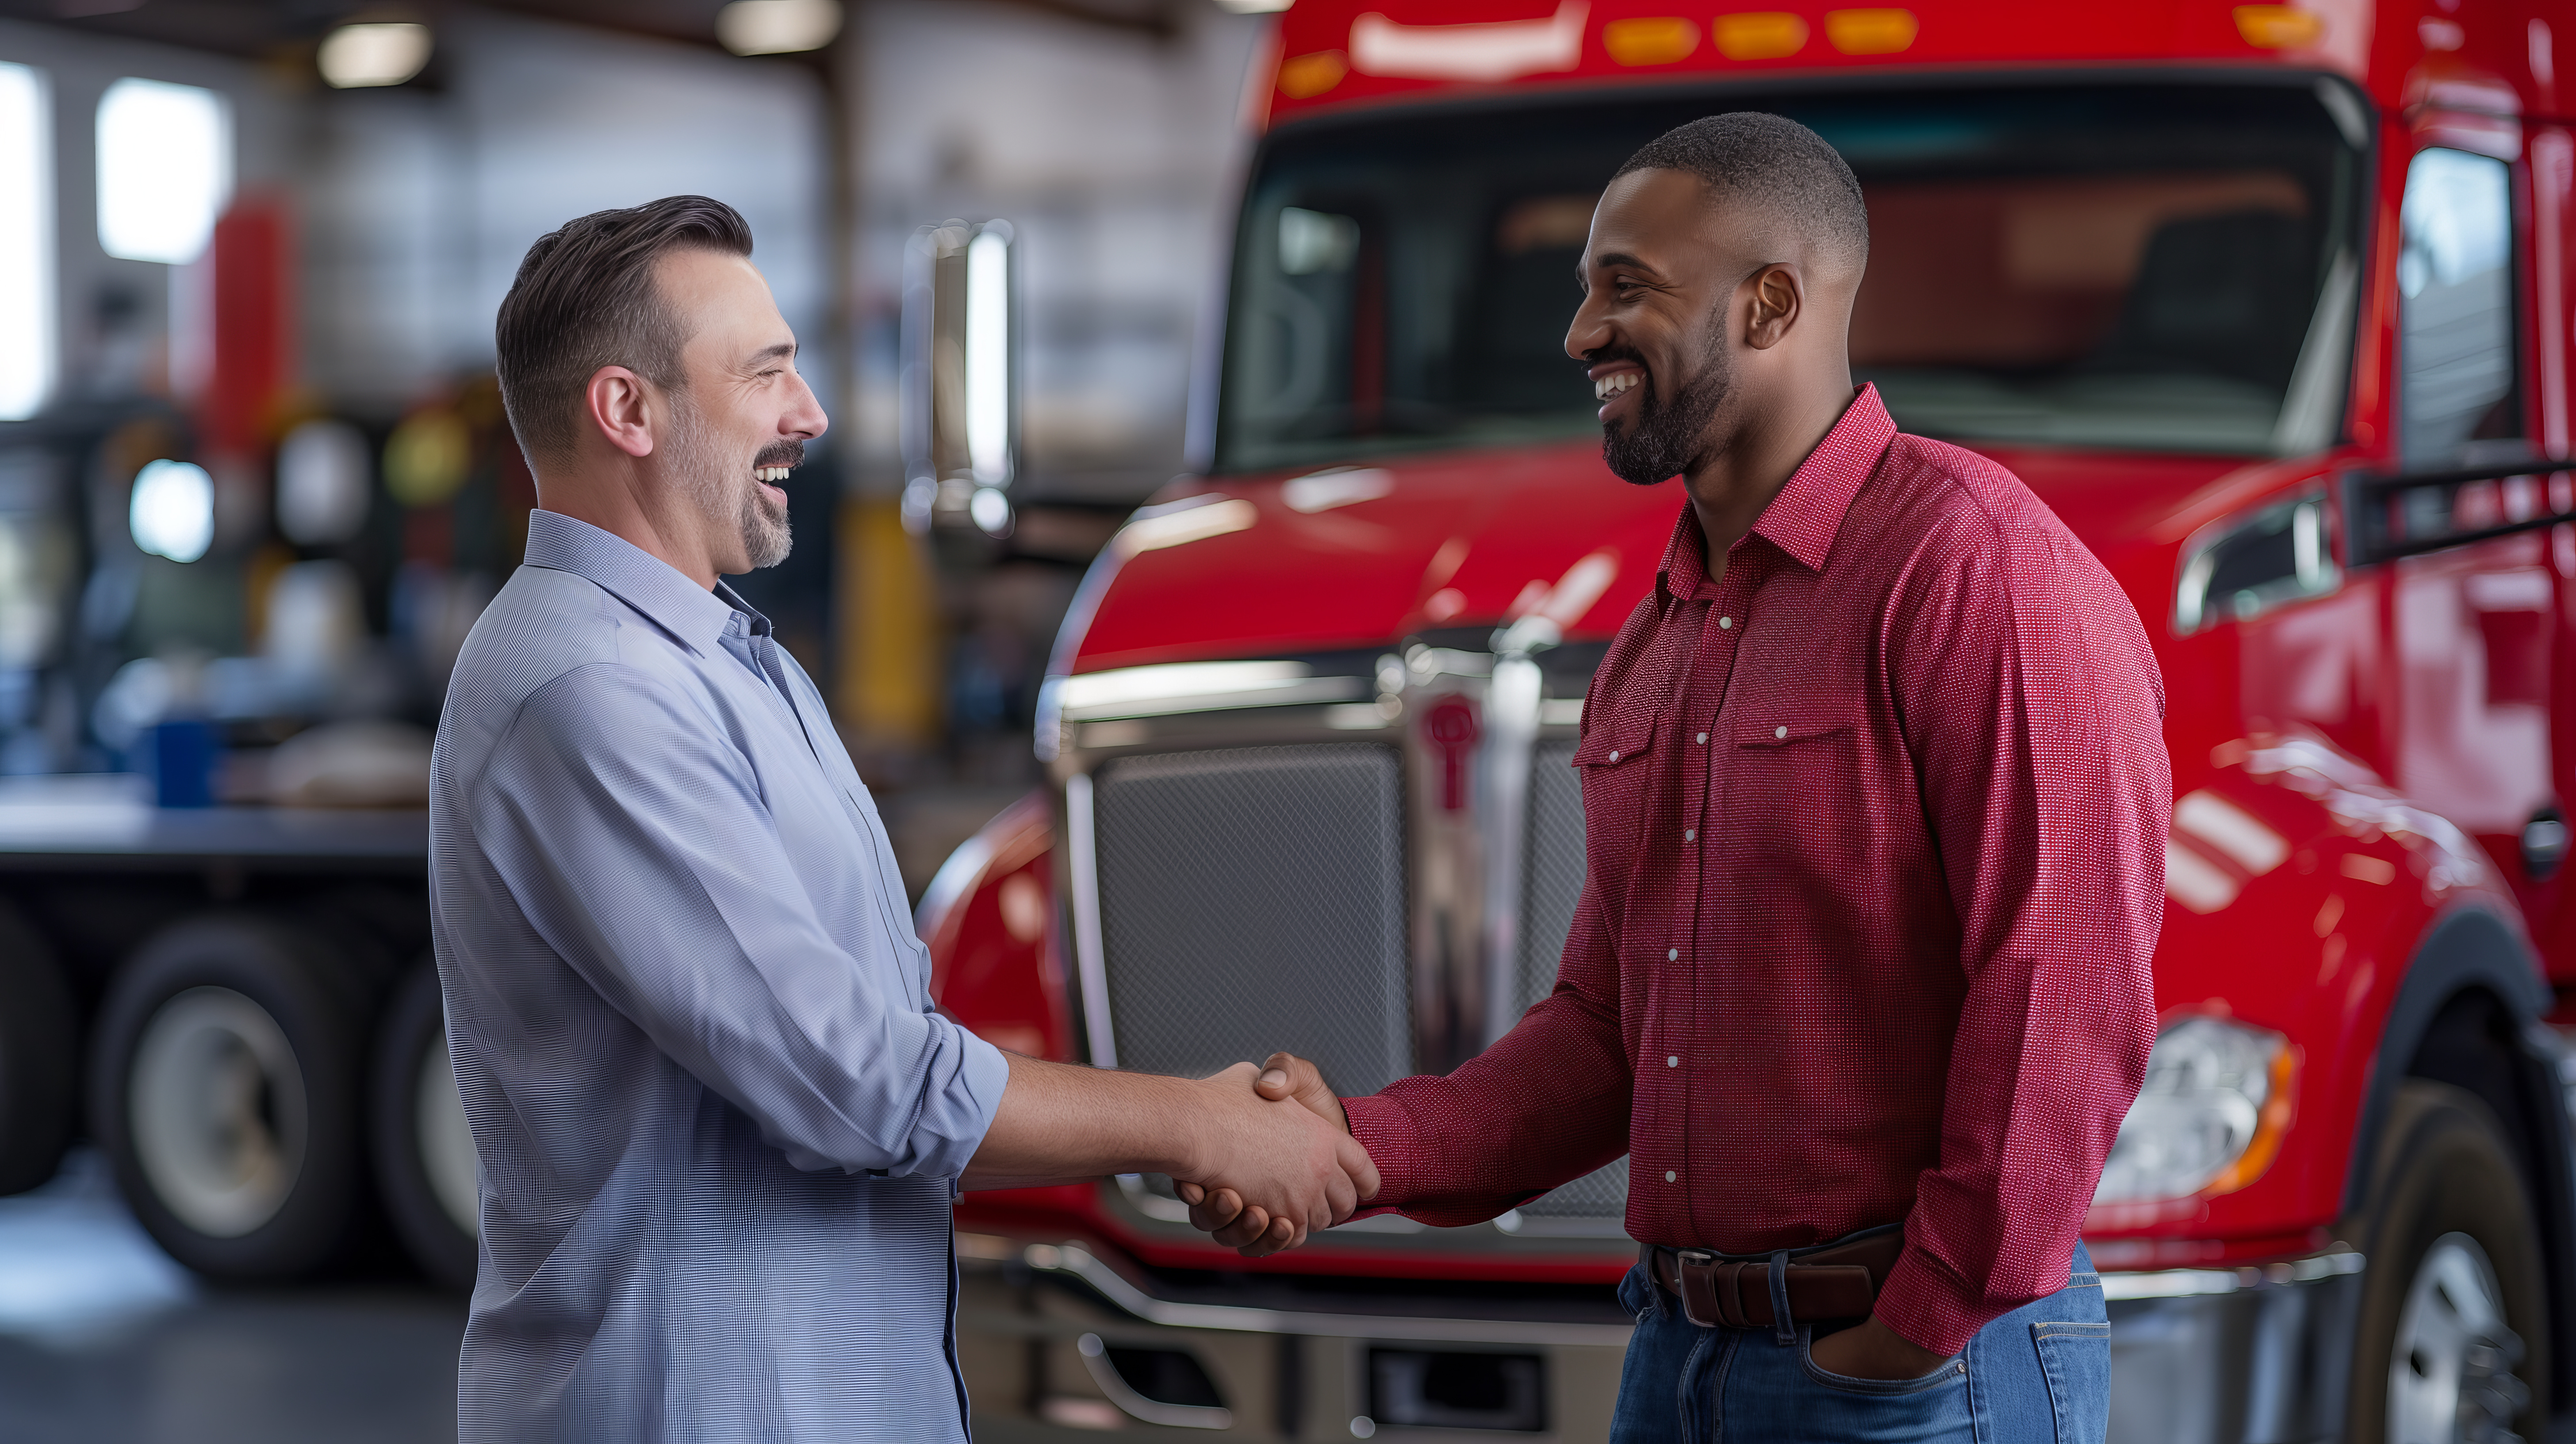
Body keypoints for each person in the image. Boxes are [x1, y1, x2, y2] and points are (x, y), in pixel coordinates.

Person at [1184, 114, 2167, 1441]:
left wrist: (1913, 1331)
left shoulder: (1978, 572)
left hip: (1918, 1378)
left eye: (1626, 287)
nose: (1583, 333)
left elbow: (2065, 991)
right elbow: (1605, 1036)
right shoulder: (1659, 640)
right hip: (1683, 1358)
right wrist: (1361, 1145)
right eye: (1587, 289)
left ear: (1771, 304)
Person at [429, 195, 1373, 1443]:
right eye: (766, 372)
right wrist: (1194, 1124)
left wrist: (1203, 1123)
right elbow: (852, 1079)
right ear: (628, 411)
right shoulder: (591, 691)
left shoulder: (727, 660)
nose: (810, 414)